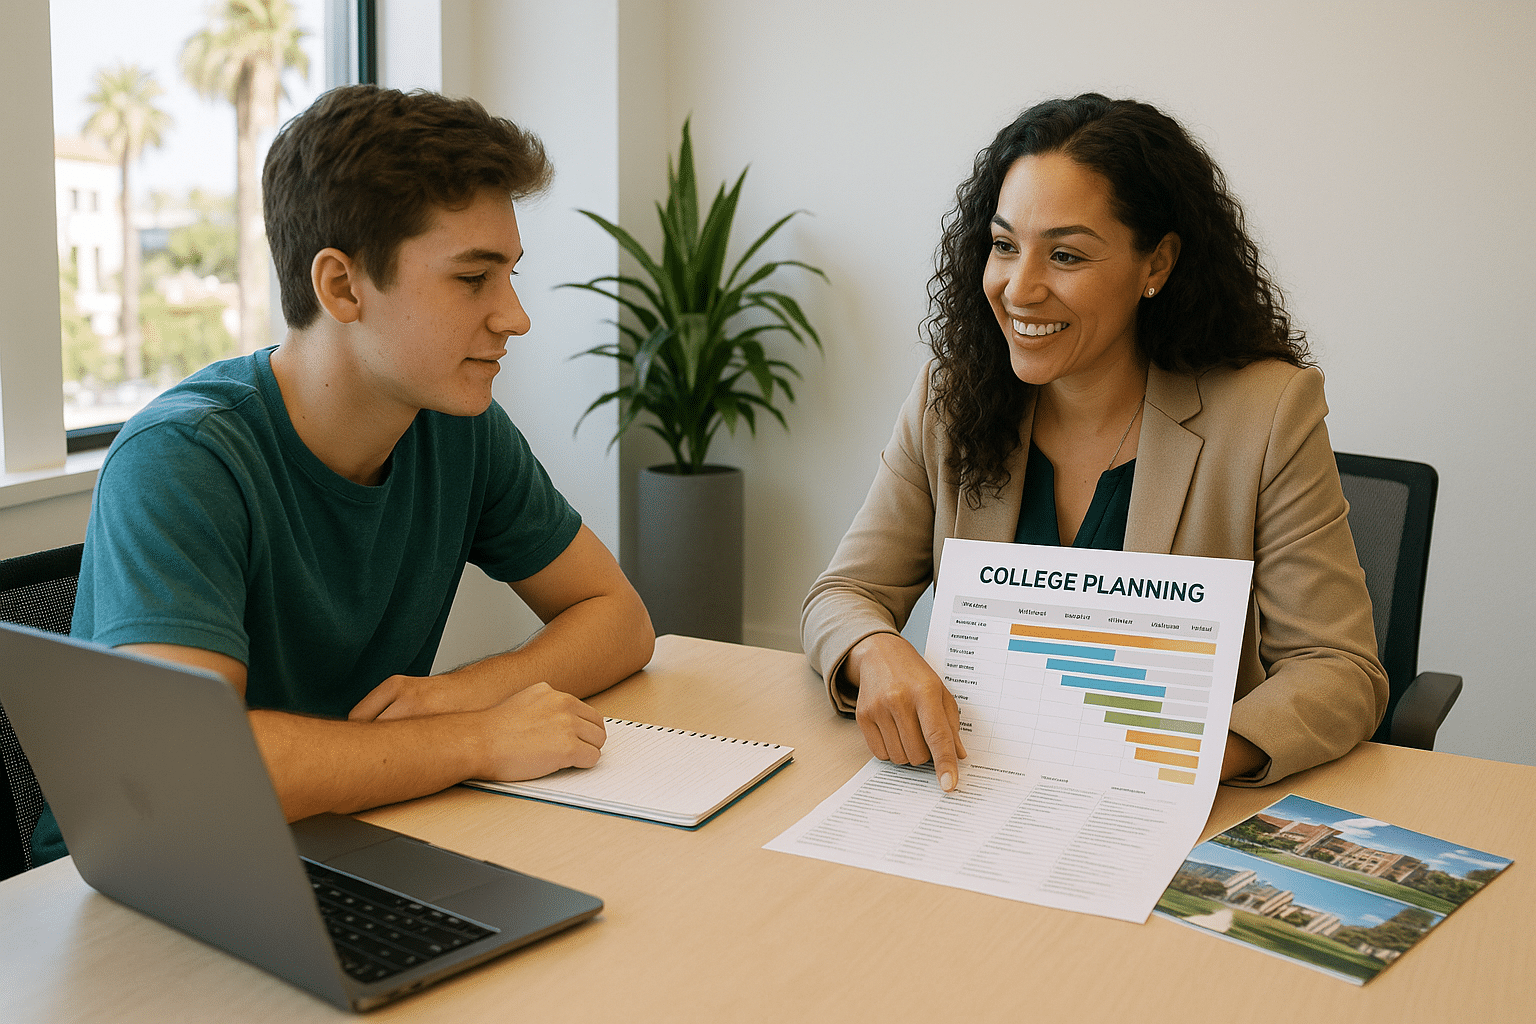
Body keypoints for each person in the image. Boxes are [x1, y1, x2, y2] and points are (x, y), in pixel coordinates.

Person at [36, 85, 655, 864]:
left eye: (511, 275)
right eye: (473, 279)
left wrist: (458, 694)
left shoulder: (457, 430)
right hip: (145, 876)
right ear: (341, 286)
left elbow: (619, 617)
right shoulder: (182, 458)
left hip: (346, 836)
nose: (514, 316)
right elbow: (188, 771)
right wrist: (473, 738)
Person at [801, 93, 1387, 793]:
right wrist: (876, 649)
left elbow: (1338, 667)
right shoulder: (949, 401)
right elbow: (843, 592)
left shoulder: (1266, 414)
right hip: (971, 791)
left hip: (1158, 810)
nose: (1020, 289)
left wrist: (1181, 763)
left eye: (1067, 255)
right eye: (1005, 245)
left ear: (1156, 266)